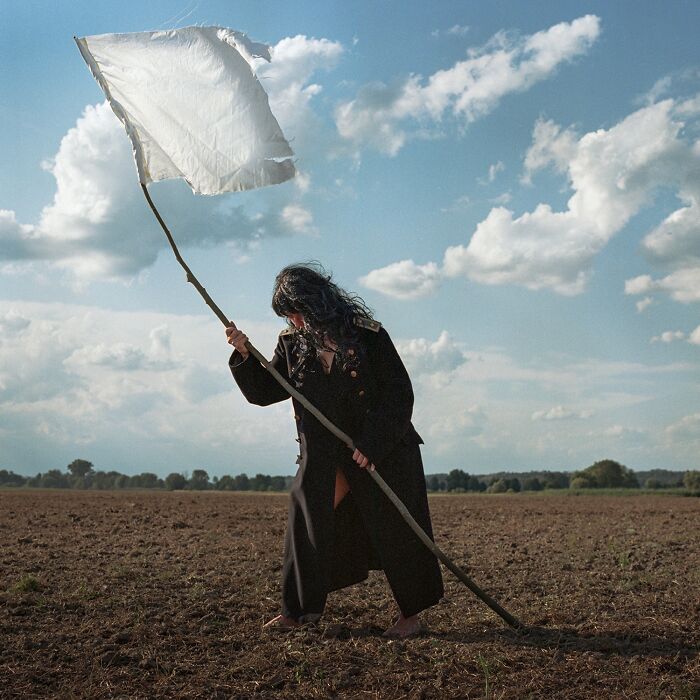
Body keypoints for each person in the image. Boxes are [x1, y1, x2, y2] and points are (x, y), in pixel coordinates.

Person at [226, 263, 443, 638]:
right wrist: (245, 354)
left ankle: (411, 617)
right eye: (286, 316)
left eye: (294, 311)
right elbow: (267, 391)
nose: (292, 321)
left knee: (398, 530)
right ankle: (296, 613)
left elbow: (398, 395)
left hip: (382, 451)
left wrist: (372, 444)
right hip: (326, 456)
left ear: (314, 303)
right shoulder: (291, 343)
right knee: (305, 520)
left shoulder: (368, 336)